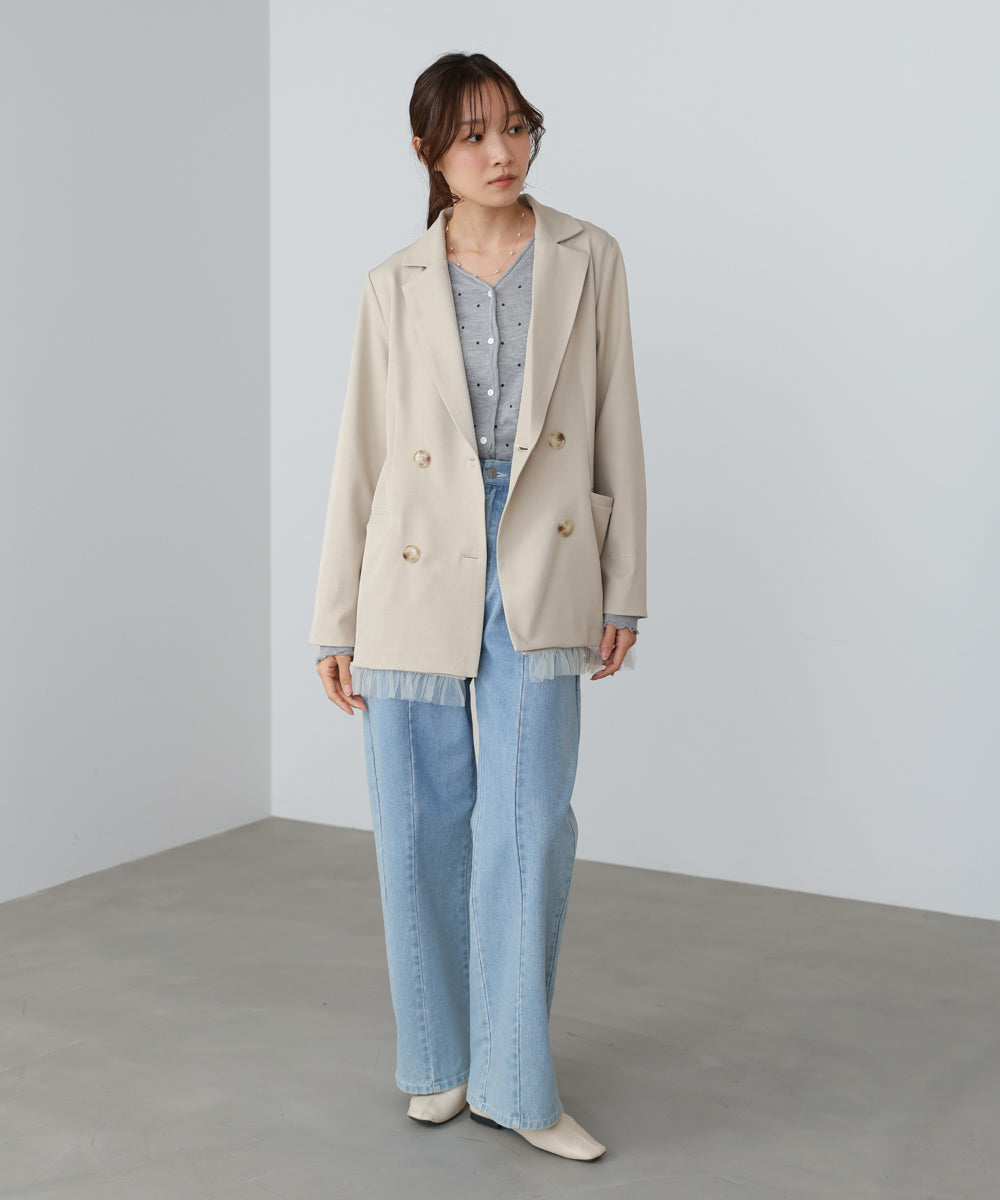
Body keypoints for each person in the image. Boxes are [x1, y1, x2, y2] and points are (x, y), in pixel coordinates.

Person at [309, 51, 647, 1162]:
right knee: (418, 819)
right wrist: (336, 619)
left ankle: (516, 1080)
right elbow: (360, 456)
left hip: (544, 552)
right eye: (472, 135)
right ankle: (442, 1062)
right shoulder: (393, 282)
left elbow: (616, 424)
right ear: (428, 153)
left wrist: (625, 587)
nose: (502, 152)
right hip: (414, 562)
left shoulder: (588, 256)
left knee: (527, 821)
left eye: (516, 126)